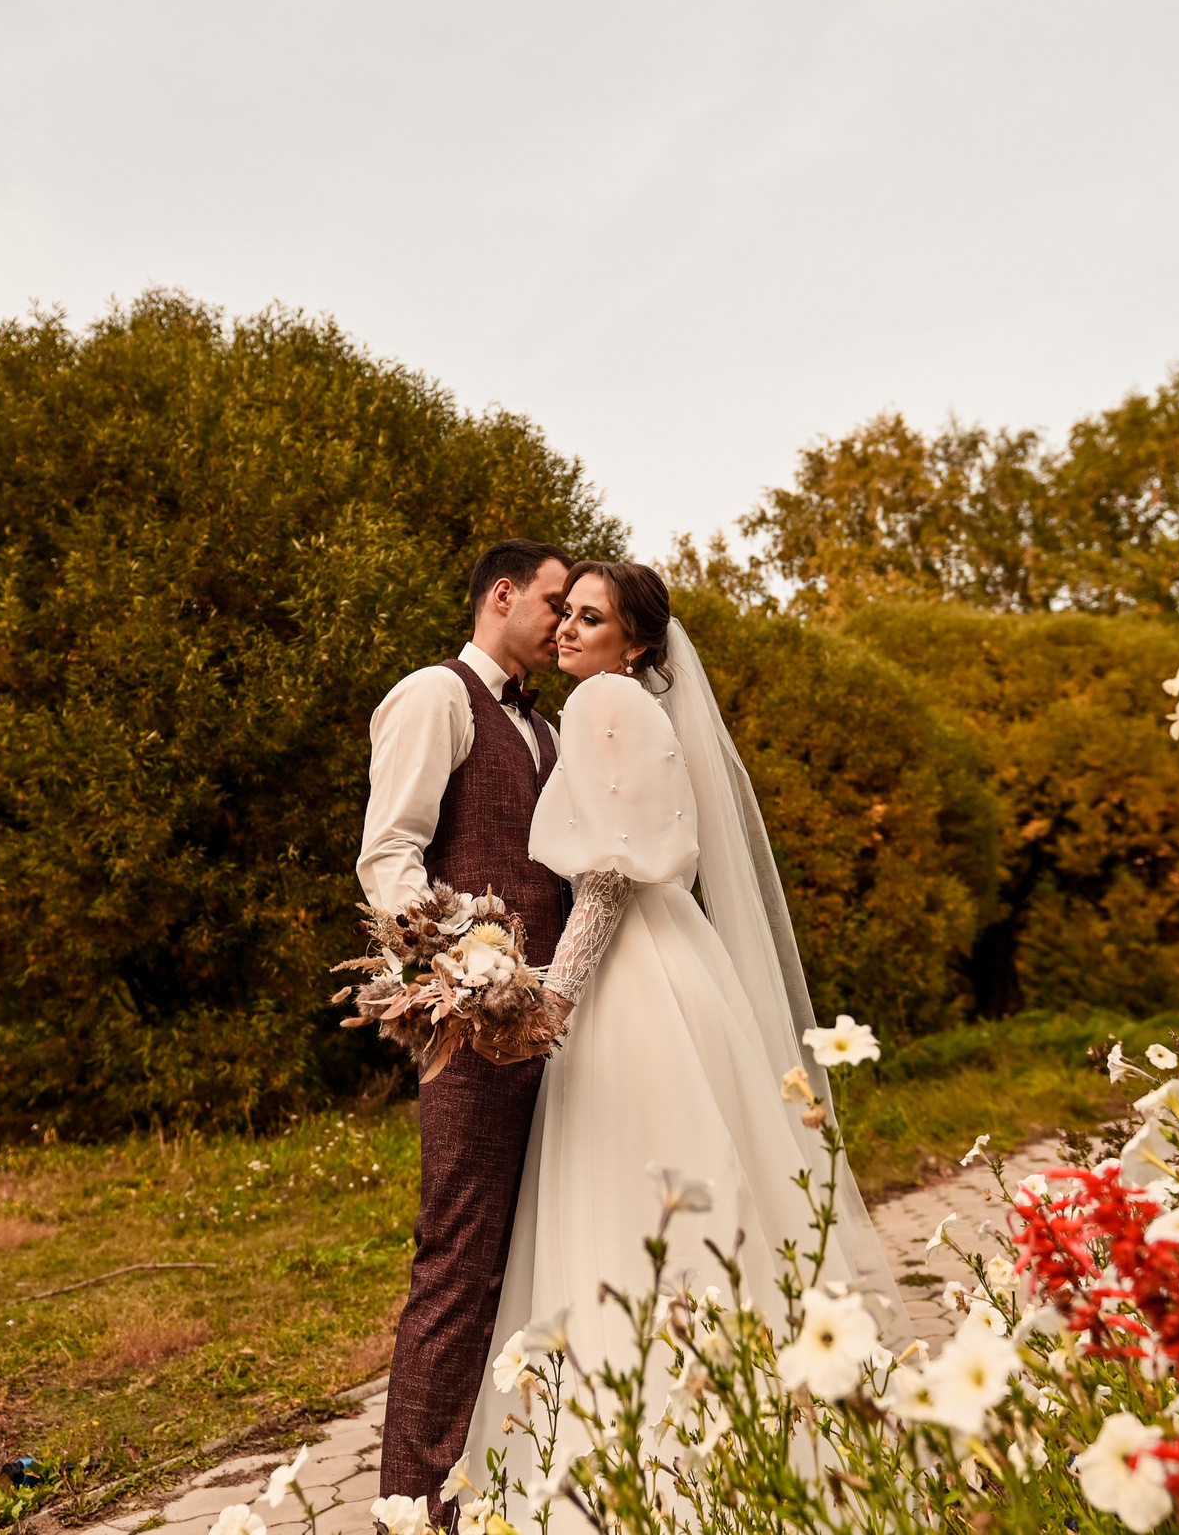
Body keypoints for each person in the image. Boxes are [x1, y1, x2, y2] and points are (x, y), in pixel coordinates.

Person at [455, 561, 907, 1513]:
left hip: (626, 975)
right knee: (702, 1182)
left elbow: (611, 875)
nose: (569, 631)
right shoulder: (644, 711)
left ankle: (646, 1465)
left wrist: (554, 1000)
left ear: (640, 644)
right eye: (566, 613)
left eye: (592, 618)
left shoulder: (597, 708)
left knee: (627, 1188)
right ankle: (751, 1441)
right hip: (678, 961)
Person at [360, 538, 577, 1521]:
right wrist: (460, 965)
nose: (565, 620)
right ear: (501, 593)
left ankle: (505, 1485)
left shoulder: (549, 728)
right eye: (554, 600)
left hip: (553, 1034)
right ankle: (411, 1506)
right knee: (459, 1258)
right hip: (473, 1027)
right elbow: (391, 856)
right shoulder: (434, 697)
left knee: (538, 1251)